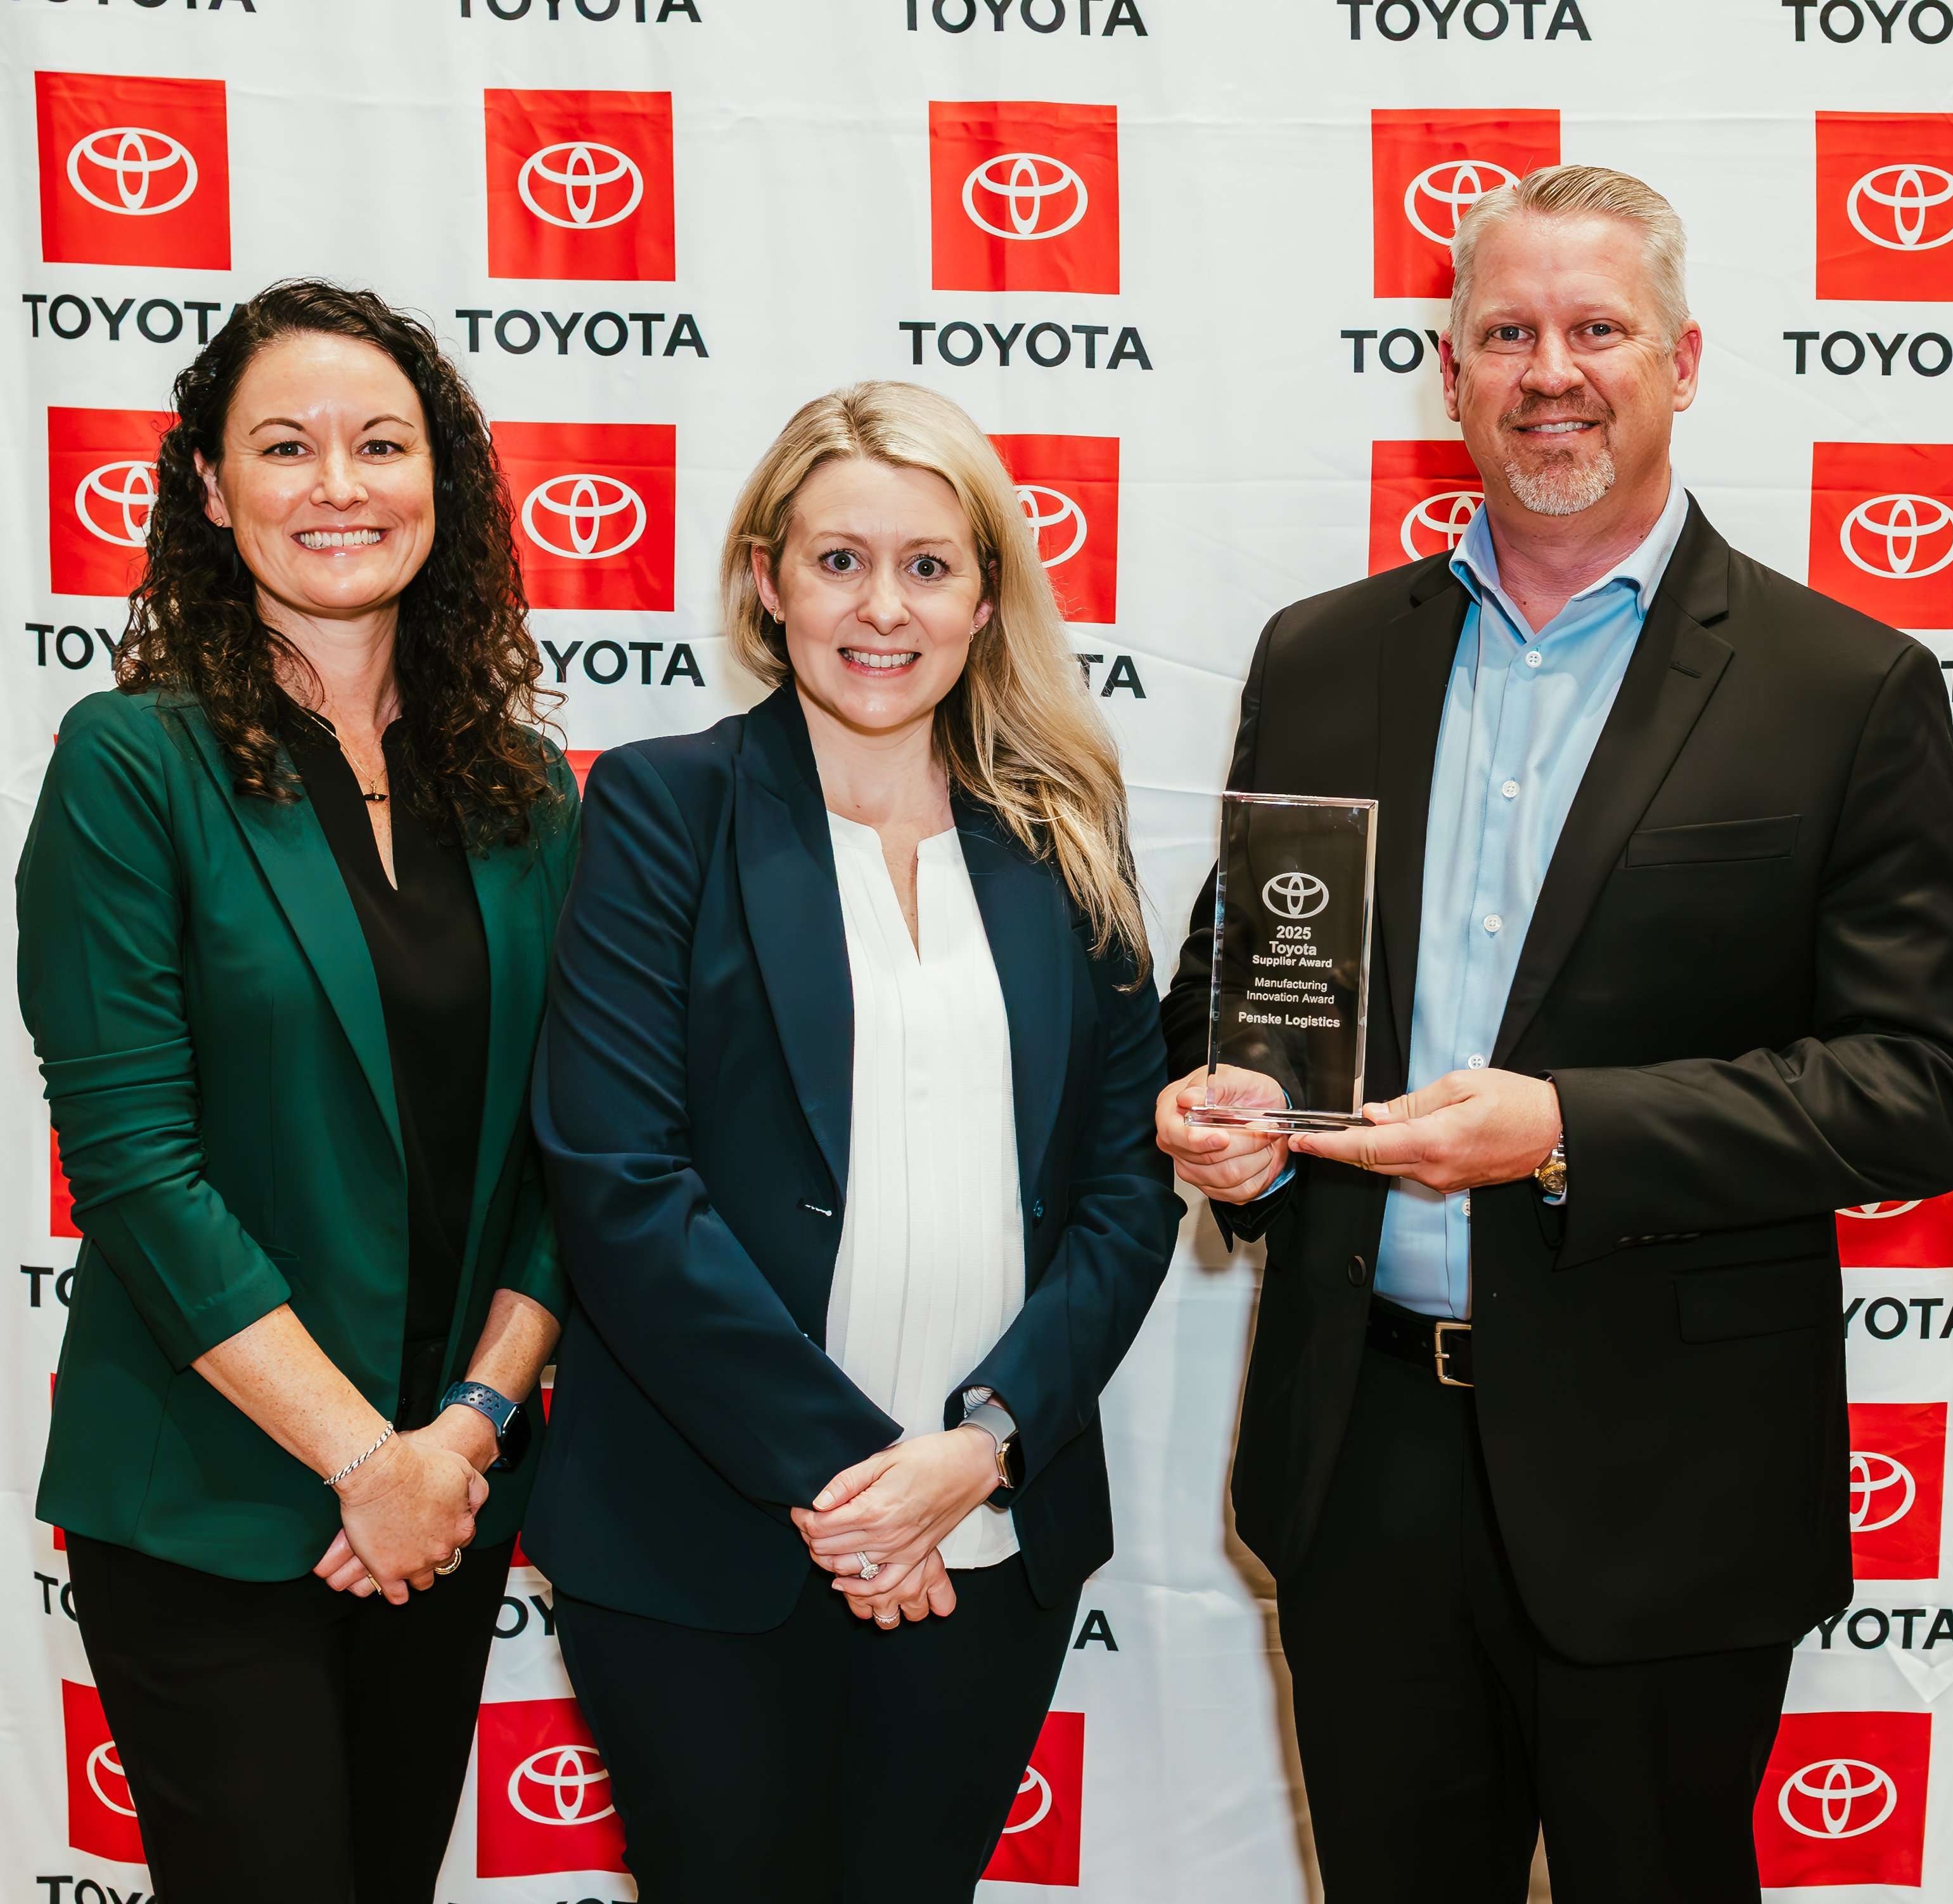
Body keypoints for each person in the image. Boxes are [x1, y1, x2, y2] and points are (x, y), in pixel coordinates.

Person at [1154, 165, 1953, 1902]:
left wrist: (1567, 1132)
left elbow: (1929, 1086)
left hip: (1667, 1480)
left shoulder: (1840, 684)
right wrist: (1217, 1113)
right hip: (1361, 1452)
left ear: (1682, 361)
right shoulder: (1319, 657)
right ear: (1448, 369)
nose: (1552, 369)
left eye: (1596, 329)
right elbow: (1235, 977)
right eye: (1508, 332)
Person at [527, 380, 1178, 1900]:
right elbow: (619, 1182)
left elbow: (1125, 1184)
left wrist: (979, 1447)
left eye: (930, 565)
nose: (883, 608)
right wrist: (864, 1484)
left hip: (992, 1533)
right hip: (705, 1545)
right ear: (766, 577)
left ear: (986, 594)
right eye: (837, 561)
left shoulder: (1064, 827)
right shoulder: (659, 808)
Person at [16, 280, 576, 1902]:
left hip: (446, 1491)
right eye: (285, 444)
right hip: (219, 1497)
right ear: (208, 488)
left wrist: (459, 1435)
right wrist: (365, 1460)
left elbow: (577, 1148)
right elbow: (132, 1167)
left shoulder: (527, 786)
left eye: (381, 442)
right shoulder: (132, 763)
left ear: (442, 481)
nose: (339, 482)